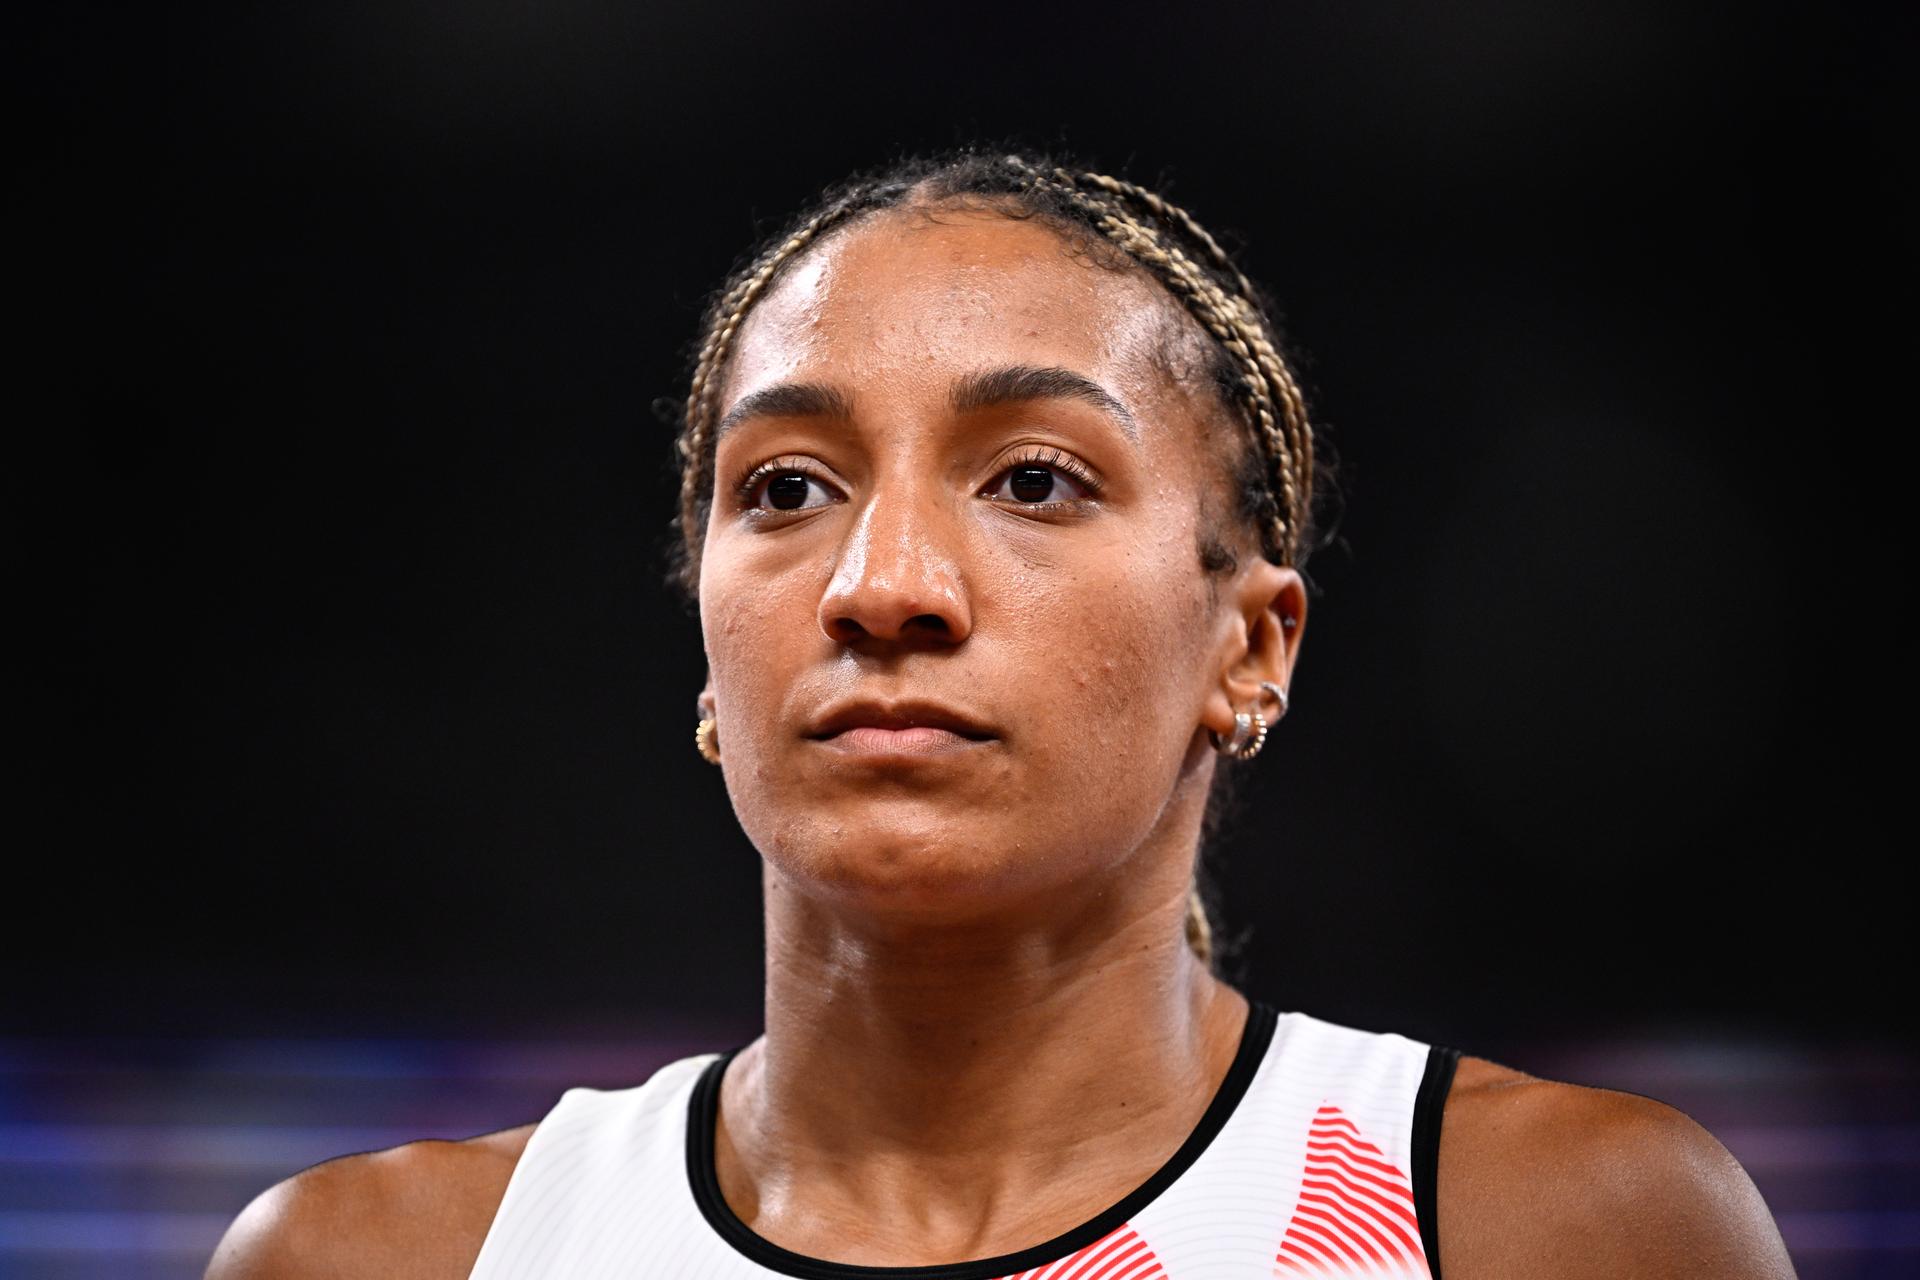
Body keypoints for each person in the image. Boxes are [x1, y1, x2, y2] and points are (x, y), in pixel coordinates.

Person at [206, 150, 1797, 1279]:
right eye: (788, 489)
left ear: (1253, 646)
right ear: (708, 653)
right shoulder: (382, 1261)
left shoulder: (1561, 1230)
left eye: (1034, 479)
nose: (883, 584)